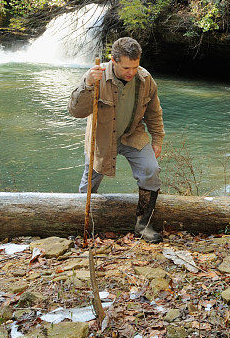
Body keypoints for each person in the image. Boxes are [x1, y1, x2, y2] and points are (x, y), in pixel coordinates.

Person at [68, 37, 165, 243]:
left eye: (135, 66)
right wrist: (87, 84)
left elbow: (154, 113)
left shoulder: (145, 79)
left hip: (132, 135)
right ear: (113, 60)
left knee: (151, 170)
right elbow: (75, 111)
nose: (131, 72)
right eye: (126, 67)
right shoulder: (96, 75)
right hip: (101, 138)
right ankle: (83, 223)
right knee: (90, 183)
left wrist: (157, 138)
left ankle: (143, 225)